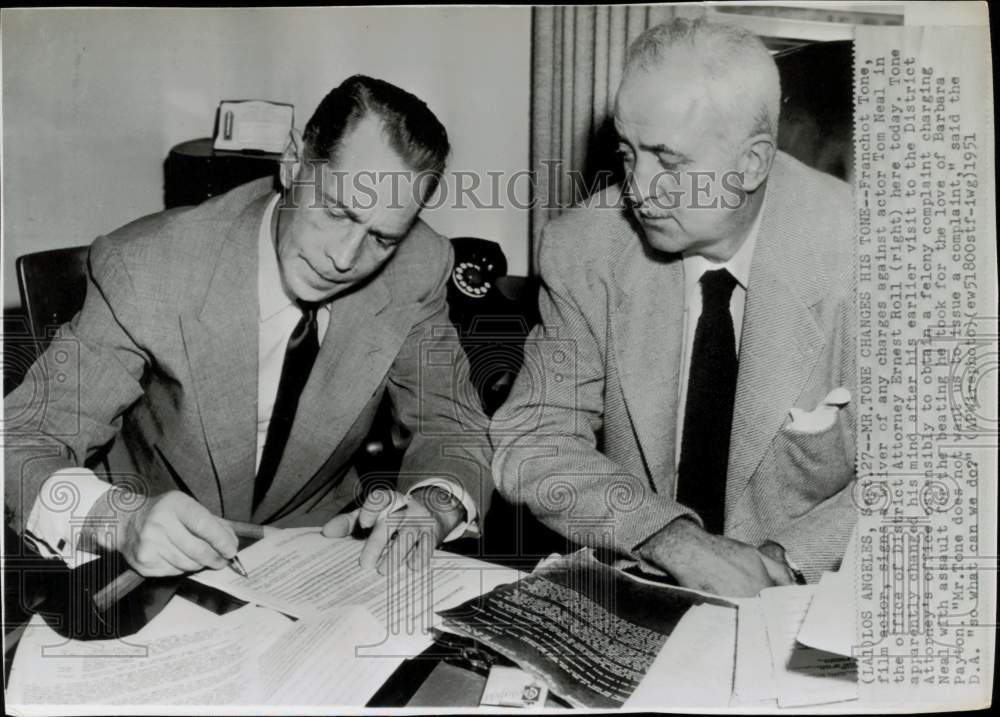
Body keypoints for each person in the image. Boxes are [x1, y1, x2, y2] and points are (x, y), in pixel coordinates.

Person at [5, 75, 492, 577]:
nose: (345, 258)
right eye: (337, 211)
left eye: (382, 239)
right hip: (145, 568)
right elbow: (20, 439)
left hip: (323, 561)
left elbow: (451, 425)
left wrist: (434, 504)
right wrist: (116, 521)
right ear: (292, 162)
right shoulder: (149, 268)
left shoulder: (419, 265)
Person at [491, 18, 856, 596]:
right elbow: (534, 438)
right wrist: (670, 538)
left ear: (752, 163)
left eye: (669, 160)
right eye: (628, 152)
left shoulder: (869, 252)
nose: (638, 187)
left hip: (809, 596)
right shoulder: (585, 247)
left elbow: (921, 468)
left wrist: (783, 561)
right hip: (640, 584)